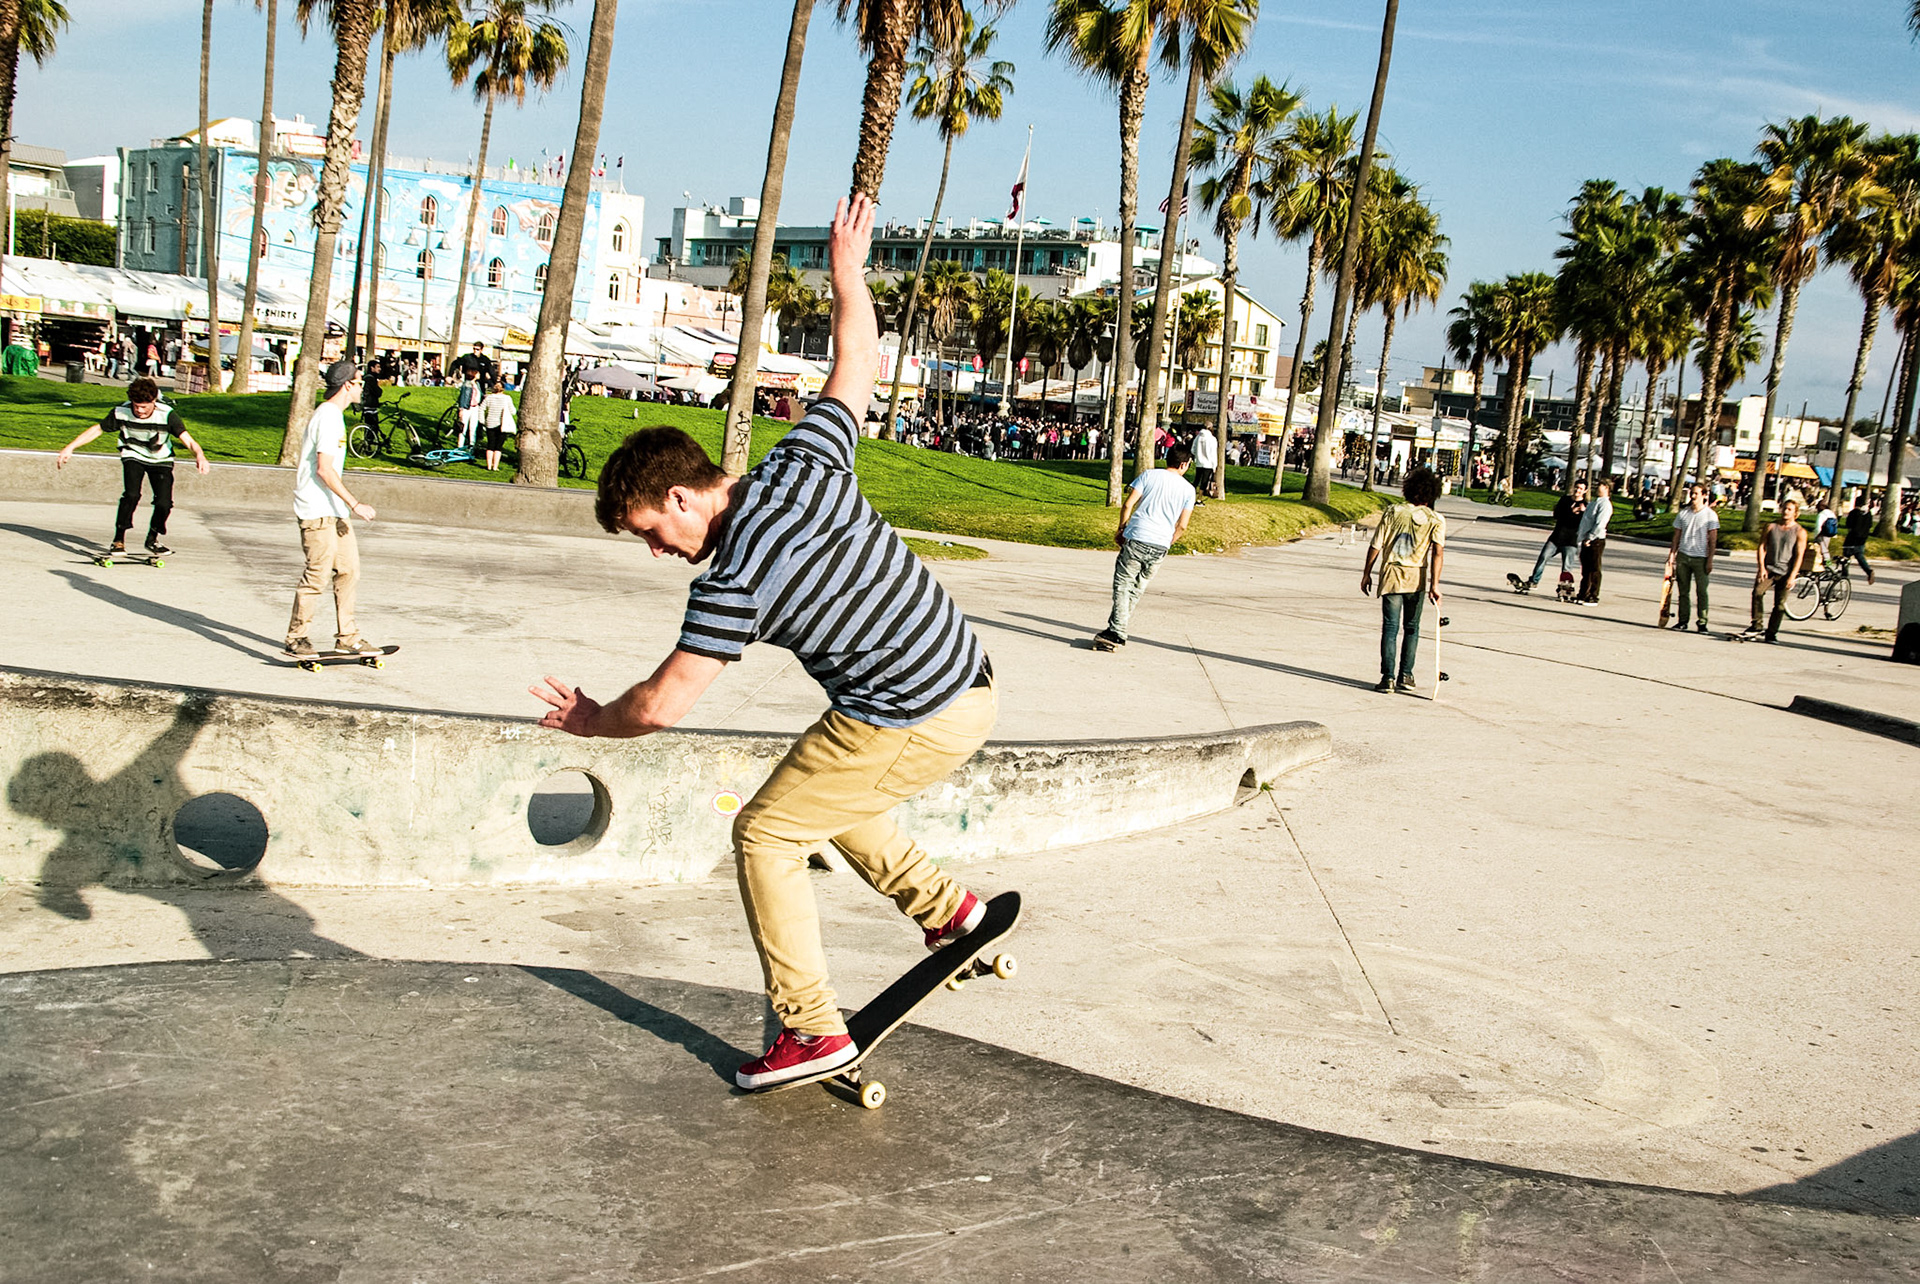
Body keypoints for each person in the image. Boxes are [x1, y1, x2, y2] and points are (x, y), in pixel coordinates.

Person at [530, 195, 1002, 1092]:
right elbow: (856, 361)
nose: (659, 553)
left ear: (681, 499)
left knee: (765, 834)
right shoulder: (802, 459)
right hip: (968, 684)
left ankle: (810, 1028)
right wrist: (848, 275)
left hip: (905, 712)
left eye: (650, 533)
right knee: (822, 791)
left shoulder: (732, 574)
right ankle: (950, 914)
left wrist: (592, 723)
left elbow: (665, 705)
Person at [53, 376, 211, 557]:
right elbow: (97, 429)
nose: (140, 411)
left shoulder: (167, 414)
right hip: (132, 455)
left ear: (153, 401)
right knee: (131, 494)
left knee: (164, 503)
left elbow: (188, 441)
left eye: (144, 407)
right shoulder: (122, 411)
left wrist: (200, 455)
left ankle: (153, 539)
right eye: (136, 406)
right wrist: (70, 447)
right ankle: (118, 539)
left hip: (160, 459)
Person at [286, 361, 380, 658]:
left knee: (349, 570)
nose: (362, 386)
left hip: (335, 511)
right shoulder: (327, 417)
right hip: (316, 510)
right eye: (359, 381)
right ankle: (296, 637)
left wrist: (344, 508)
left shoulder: (335, 417)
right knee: (318, 574)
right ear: (347, 385)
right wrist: (355, 503)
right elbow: (325, 470)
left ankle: (347, 637)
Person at [1092, 445, 1196, 652]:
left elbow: (1128, 504)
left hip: (1137, 537)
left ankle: (1117, 632)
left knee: (1123, 585)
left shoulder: (1149, 475)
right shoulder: (1188, 490)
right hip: (1160, 544)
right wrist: (1169, 541)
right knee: (1137, 588)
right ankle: (1116, 629)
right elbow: (1182, 525)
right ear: (1183, 464)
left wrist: (1121, 528)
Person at [1361, 466, 1445, 693]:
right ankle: (1406, 675)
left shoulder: (1393, 511)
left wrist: (1367, 572)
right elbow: (1438, 552)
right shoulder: (1435, 519)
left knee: (1390, 627)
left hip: (1391, 576)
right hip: (1416, 578)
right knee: (1412, 628)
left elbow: (1376, 544)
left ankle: (1387, 678)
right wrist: (1435, 585)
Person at [1746, 497, 1808, 643]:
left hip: (1785, 572)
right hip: (1768, 569)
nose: (1785, 512)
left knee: (1779, 604)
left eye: (1789, 509)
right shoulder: (1771, 527)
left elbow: (1800, 555)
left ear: (1795, 513)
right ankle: (1756, 625)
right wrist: (1761, 567)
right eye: (1784, 508)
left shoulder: (1800, 532)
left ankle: (1772, 633)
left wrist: (1793, 575)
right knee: (1757, 592)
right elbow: (1762, 546)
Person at [1509, 480, 1586, 595]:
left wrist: (1582, 513)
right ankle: (1534, 581)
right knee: (1543, 557)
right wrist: (1571, 511)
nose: (1577, 491)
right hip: (1556, 538)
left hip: (1570, 541)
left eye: (1580, 489)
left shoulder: (1586, 506)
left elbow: (1583, 524)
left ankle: (1565, 587)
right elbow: (1557, 515)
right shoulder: (1565, 500)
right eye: (1576, 487)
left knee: (1566, 567)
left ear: (1585, 491)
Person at [1665, 482, 1719, 633]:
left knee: (1702, 591)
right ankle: (1683, 621)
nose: (1693, 496)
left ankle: (1702, 622)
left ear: (1704, 495)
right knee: (1683, 591)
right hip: (1684, 556)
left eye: (1696, 493)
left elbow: (1712, 540)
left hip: (1700, 557)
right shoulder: (1683, 513)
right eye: (1692, 493)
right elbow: (1676, 536)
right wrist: (1672, 555)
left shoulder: (1710, 515)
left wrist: (1710, 560)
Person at [1575, 479, 1613, 604]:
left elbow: (1600, 524)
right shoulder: (1593, 502)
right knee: (1585, 569)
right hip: (1586, 538)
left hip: (1595, 540)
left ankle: (1593, 595)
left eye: (1600, 485)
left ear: (1607, 488)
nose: (1597, 487)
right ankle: (1583, 593)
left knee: (1594, 568)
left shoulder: (1605, 505)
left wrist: (1590, 537)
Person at [479, 379, 515, 472]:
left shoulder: (489, 398)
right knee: (498, 446)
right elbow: (513, 411)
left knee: (490, 445)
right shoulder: (507, 398)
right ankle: (495, 466)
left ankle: (488, 465)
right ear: (503, 388)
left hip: (490, 423)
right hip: (502, 424)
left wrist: (482, 420)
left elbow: (481, 409)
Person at [1842, 493, 1875, 584]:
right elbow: (1870, 525)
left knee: (1845, 558)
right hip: (1862, 539)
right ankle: (1868, 571)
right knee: (1860, 556)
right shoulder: (1868, 514)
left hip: (1852, 538)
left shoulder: (1854, 513)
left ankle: (1844, 576)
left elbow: (1848, 525)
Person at [455, 368, 483, 450]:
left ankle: (472, 445)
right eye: (477, 373)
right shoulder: (467, 384)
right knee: (463, 427)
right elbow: (463, 397)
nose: (479, 375)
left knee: (473, 427)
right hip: (467, 408)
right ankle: (460, 445)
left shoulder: (477, 384)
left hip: (475, 407)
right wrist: (461, 409)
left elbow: (480, 395)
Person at [1191, 426, 1217, 503]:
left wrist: (1197, 456)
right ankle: (1199, 499)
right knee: (1204, 482)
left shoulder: (1198, 437)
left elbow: (1193, 449)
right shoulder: (1212, 439)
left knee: (1196, 480)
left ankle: (1190, 496)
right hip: (1208, 463)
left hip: (1199, 462)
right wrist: (1214, 465)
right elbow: (1213, 453)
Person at [1814, 494, 1839, 568]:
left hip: (1822, 534)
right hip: (1829, 534)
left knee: (1823, 550)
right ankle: (1825, 563)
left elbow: (1818, 526)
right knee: (1825, 548)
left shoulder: (1821, 514)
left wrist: (1816, 536)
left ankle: (1828, 564)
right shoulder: (1831, 513)